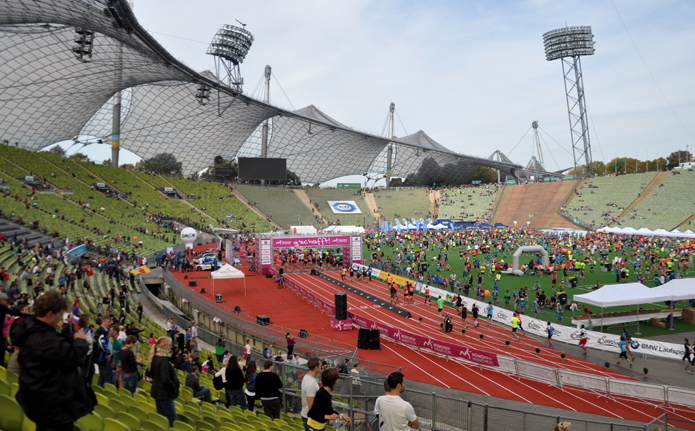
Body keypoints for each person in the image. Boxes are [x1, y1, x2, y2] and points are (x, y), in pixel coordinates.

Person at [11, 290, 95, 431]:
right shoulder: (45, 338)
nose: (59, 319)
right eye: (58, 315)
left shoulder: (30, 329)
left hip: (38, 399)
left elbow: (55, 351)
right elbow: (73, 358)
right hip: (53, 406)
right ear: (50, 314)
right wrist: (80, 342)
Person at [147, 336, 179, 426]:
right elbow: (165, 378)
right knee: (172, 419)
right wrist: (173, 387)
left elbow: (148, 373)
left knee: (161, 417)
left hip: (157, 391)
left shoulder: (155, 357)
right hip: (164, 394)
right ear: (164, 346)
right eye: (169, 345)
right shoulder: (163, 360)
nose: (171, 347)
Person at [0, 292, 30, 367]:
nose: (7, 301)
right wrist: (28, 315)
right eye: (6, 300)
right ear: (1, 300)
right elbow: (14, 313)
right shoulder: (2, 307)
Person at [301, 358, 320, 431]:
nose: (321, 367)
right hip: (310, 419)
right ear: (316, 367)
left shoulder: (307, 377)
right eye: (320, 365)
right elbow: (311, 406)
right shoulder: (310, 384)